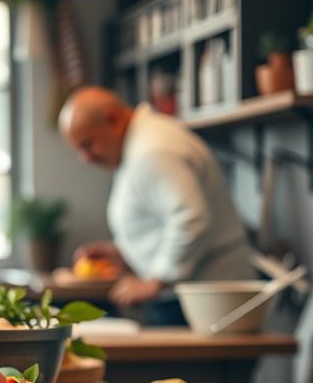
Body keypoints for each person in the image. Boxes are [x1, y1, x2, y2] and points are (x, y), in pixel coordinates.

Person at [59, 86, 254, 324]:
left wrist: (156, 280)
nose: (86, 159)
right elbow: (165, 217)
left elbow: (190, 217)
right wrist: (122, 251)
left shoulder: (153, 151)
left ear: (113, 119)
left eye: (87, 145)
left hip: (206, 305)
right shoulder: (141, 143)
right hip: (192, 299)